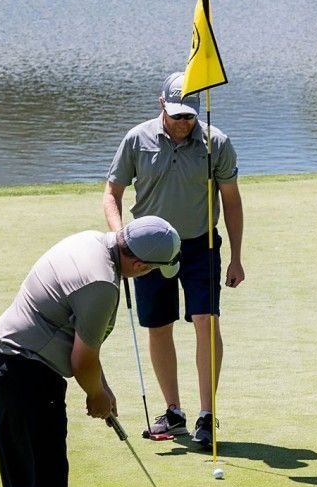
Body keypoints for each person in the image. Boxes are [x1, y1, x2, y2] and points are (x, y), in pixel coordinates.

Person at [0, 215, 181, 487]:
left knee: (39, 481)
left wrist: (101, 390)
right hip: (25, 371)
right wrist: (96, 396)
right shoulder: (103, 285)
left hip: (11, 362)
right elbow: (81, 359)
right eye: (156, 270)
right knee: (47, 483)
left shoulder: (92, 242)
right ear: (140, 265)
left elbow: (79, 343)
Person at [103, 72, 245, 448]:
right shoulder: (137, 139)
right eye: (178, 114)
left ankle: (207, 415)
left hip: (201, 246)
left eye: (190, 116)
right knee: (159, 326)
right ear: (161, 104)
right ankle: (174, 411)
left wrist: (236, 256)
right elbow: (112, 192)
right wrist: (120, 237)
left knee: (206, 320)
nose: (184, 123)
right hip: (147, 249)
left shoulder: (216, 143)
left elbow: (231, 200)